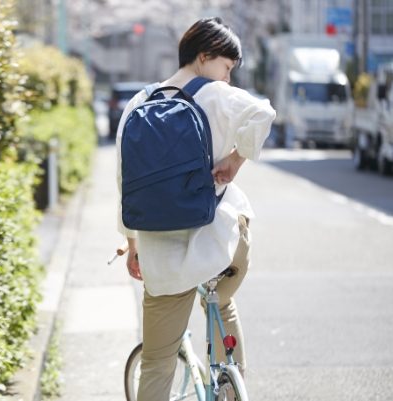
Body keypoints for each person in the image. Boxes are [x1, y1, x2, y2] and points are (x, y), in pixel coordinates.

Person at [116, 17, 276, 401]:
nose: (228, 78)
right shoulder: (217, 96)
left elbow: (124, 182)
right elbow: (263, 113)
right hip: (218, 243)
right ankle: (230, 380)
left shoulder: (140, 103)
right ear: (205, 57)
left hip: (161, 252)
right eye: (227, 67)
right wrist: (237, 160)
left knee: (156, 363)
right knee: (220, 298)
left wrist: (132, 243)